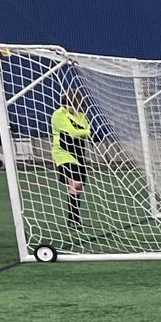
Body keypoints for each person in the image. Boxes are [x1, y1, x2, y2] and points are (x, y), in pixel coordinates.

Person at [49, 87, 92, 230]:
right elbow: (73, 132)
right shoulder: (58, 114)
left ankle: (75, 219)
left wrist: (85, 132)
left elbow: (88, 131)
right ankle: (73, 221)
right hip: (64, 153)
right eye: (73, 105)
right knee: (74, 183)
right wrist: (84, 131)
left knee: (78, 187)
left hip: (79, 152)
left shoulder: (80, 115)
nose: (76, 108)